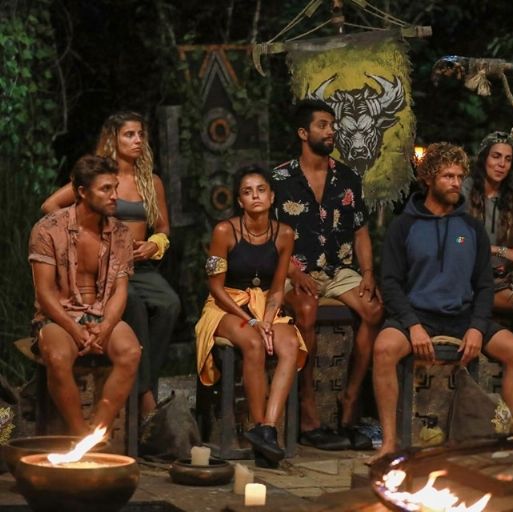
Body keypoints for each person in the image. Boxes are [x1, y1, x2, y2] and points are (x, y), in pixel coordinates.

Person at [371, 142, 513, 461]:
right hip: (418, 315)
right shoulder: (404, 225)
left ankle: (511, 438)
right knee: (384, 349)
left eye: (459, 176)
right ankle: (389, 442)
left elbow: (484, 286)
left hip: (462, 316)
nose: (456, 183)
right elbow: (390, 283)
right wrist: (412, 325)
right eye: (447, 176)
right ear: (428, 178)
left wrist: (476, 328)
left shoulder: (471, 228)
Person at [42, 111, 181, 421]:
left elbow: (163, 227)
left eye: (141, 134)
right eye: (129, 134)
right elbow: (50, 205)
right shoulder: (100, 177)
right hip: (108, 267)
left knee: (169, 304)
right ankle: (145, 398)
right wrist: (79, 239)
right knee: (132, 304)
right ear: (113, 139)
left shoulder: (151, 181)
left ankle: (144, 385)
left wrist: (154, 244)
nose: (137, 140)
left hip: (141, 266)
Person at [272, 99, 383, 451]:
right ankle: (308, 412)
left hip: (338, 268)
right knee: (305, 310)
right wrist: (292, 271)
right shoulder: (279, 179)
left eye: (332, 125)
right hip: (294, 268)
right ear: (303, 133)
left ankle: (350, 405)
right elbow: (267, 235)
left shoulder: (347, 177)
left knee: (374, 309)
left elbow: (361, 231)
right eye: (322, 125)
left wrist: (368, 273)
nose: (331, 130)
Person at [195, 167, 306, 463]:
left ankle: (267, 430)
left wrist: (266, 321)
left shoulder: (285, 234)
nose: (255, 196)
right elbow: (215, 287)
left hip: (264, 303)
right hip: (226, 304)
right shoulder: (224, 231)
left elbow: (278, 289)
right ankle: (259, 425)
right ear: (240, 201)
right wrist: (253, 323)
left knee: (290, 344)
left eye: (261, 190)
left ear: (272, 197)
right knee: (254, 343)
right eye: (247, 191)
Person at [29, 155, 141, 435]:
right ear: (82, 191)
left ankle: (97, 432)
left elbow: (120, 291)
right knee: (57, 357)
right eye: (106, 189)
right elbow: (44, 293)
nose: (115, 196)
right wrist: (74, 329)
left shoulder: (121, 233)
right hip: (59, 317)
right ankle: (80, 432)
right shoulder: (48, 229)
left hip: (101, 313)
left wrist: (106, 326)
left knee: (130, 351)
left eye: (115, 188)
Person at [463, 131, 513, 315]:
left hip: (498, 279)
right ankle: (466, 299)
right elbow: (458, 240)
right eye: (496, 156)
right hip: (465, 273)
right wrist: (502, 251)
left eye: (508, 159)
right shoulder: (463, 191)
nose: (502, 164)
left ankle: (472, 302)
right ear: (484, 158)